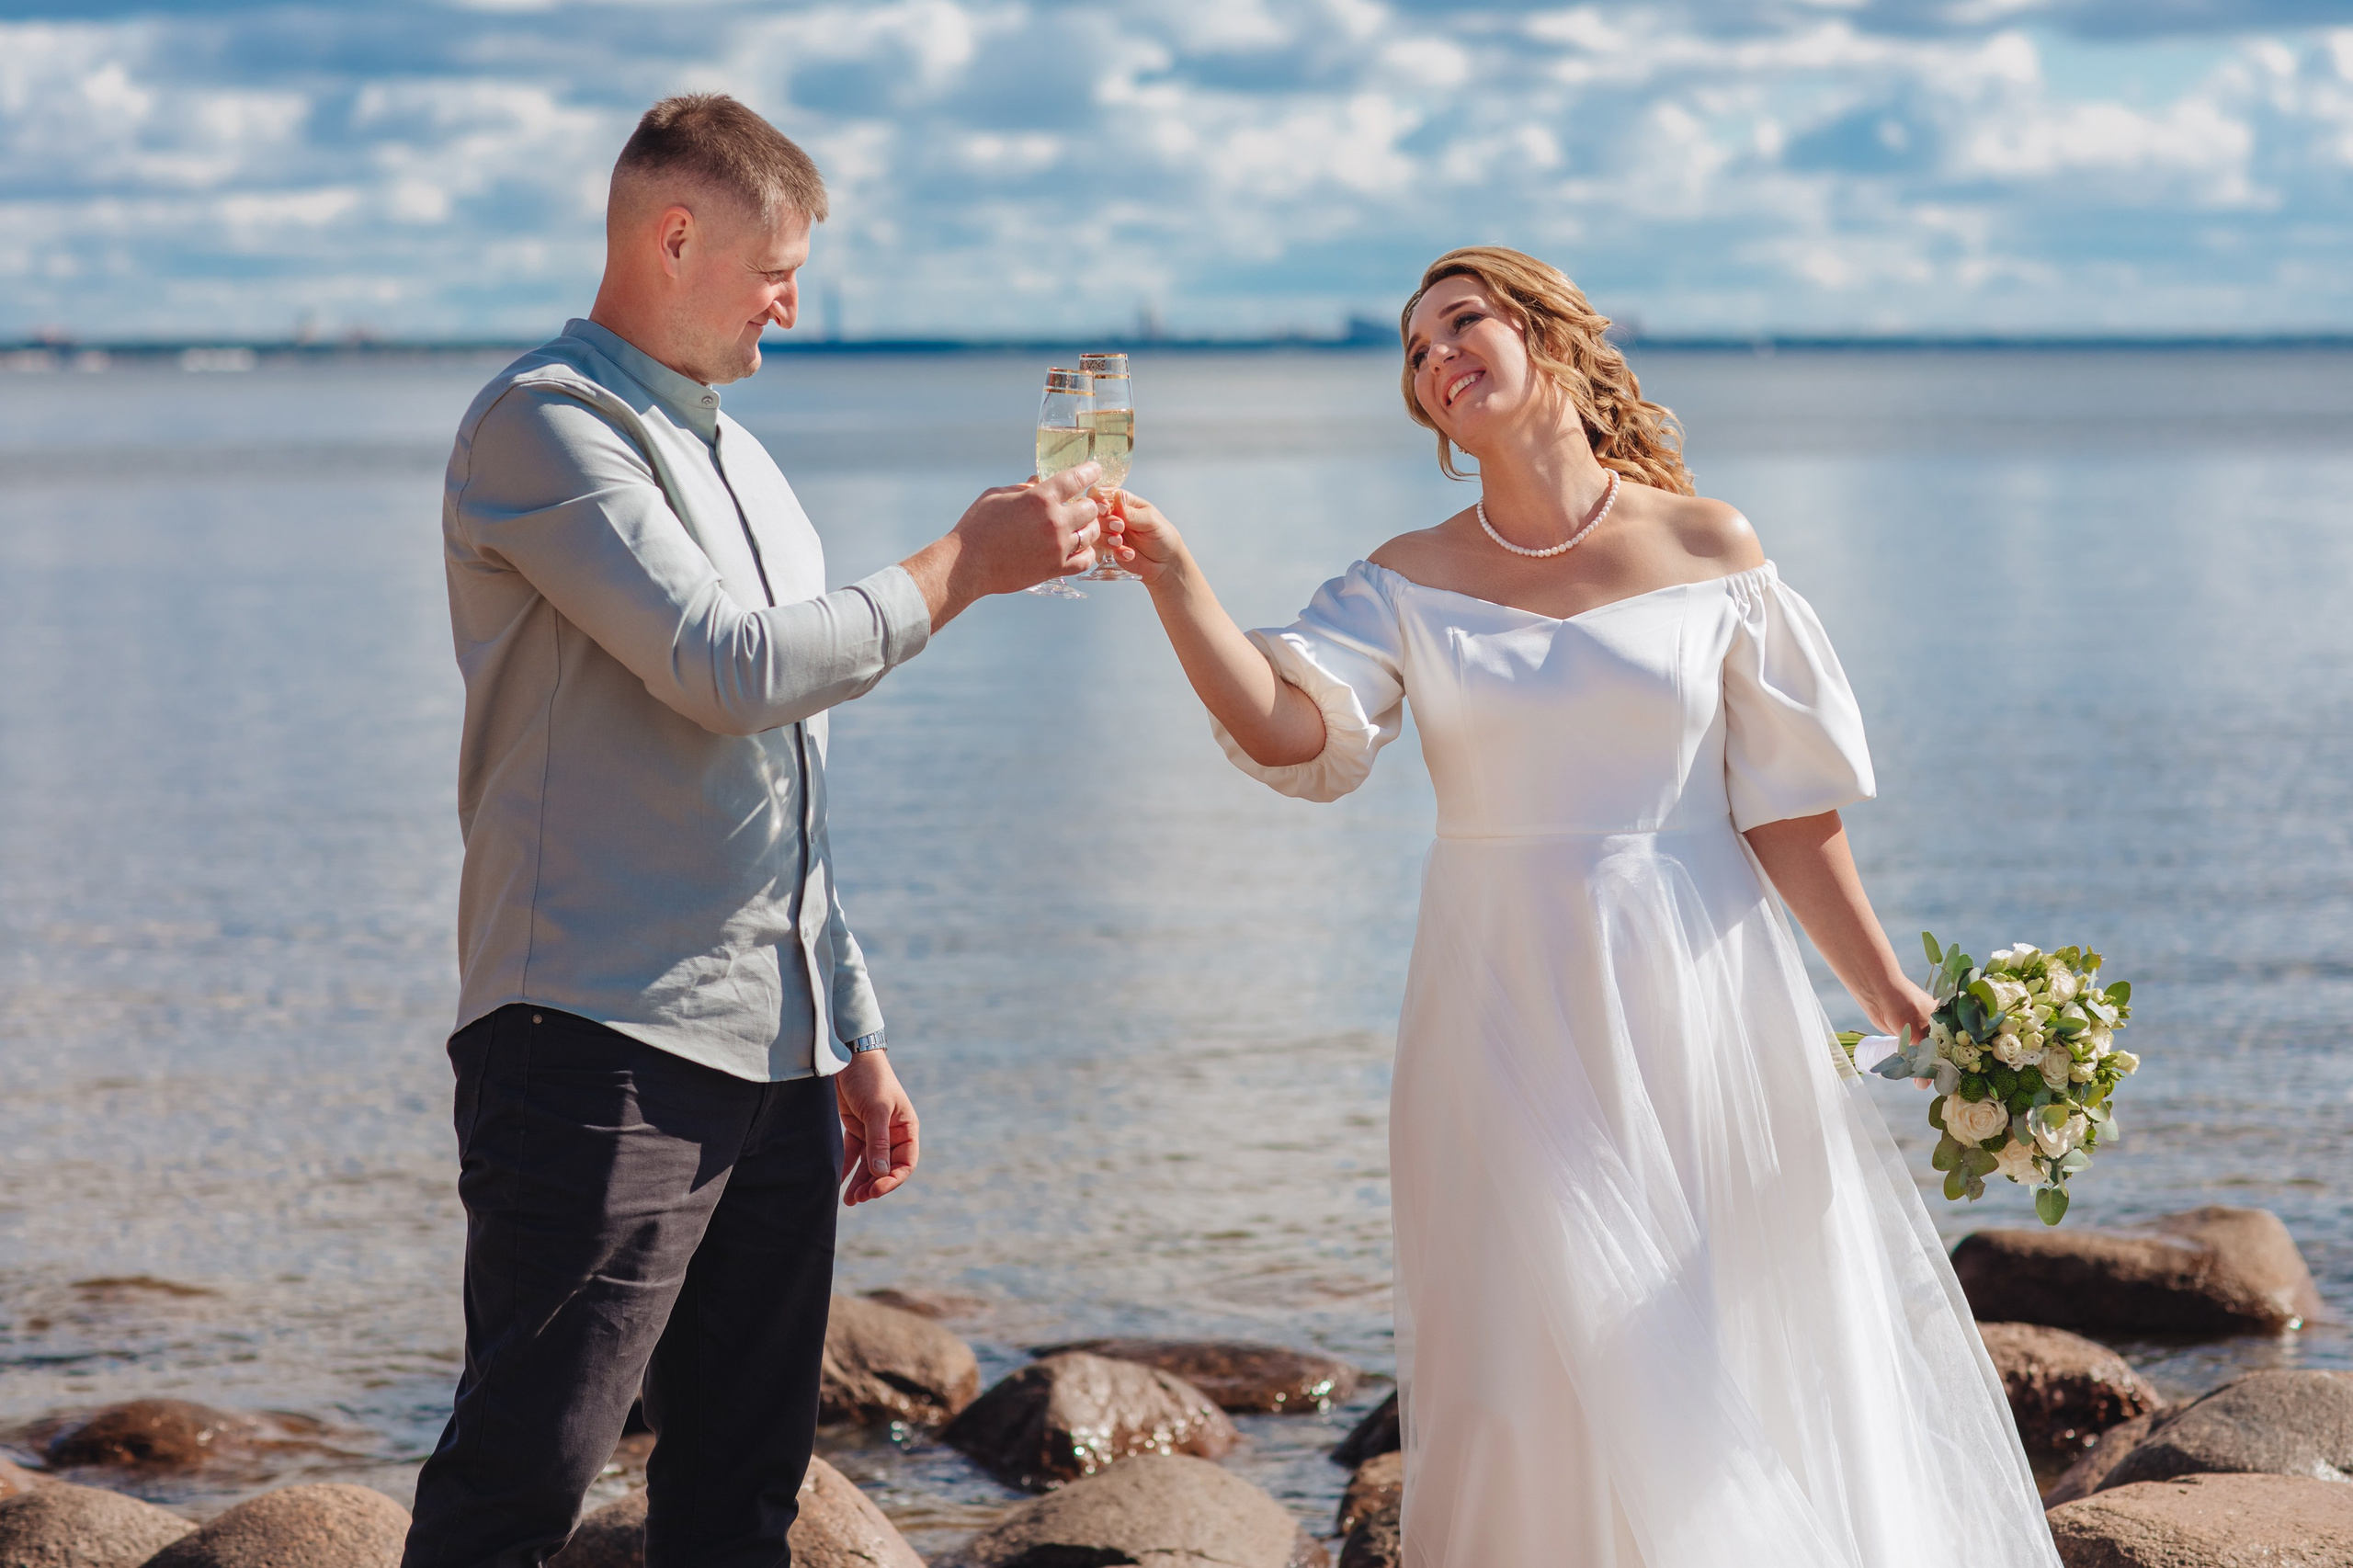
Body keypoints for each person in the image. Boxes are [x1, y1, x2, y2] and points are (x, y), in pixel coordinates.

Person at [1100, 247, 2060, 1566]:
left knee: (1737, 1350)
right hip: (1498, 1008)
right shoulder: (1403, 577)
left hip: (1708, 1001)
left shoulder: (1710, 546)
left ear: (1548, 335)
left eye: (1460, 321)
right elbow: (1284, 730)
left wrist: (1888, 990)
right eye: (1415, 349)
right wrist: (1172, 575)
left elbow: (1783, 806)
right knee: (1517, 1365)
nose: (1436, 354)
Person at [405, 95, 1100, 1568]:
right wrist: (966, 562)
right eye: (776, 266)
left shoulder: (750, 462)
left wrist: (848, 1025)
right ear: (675, 235)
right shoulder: (545, 425)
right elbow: (729, 669)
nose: (796, 301)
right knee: (522, 1478)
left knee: (741, 1494)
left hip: (771, 1055)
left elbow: (790, 767)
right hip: (593, 1038)